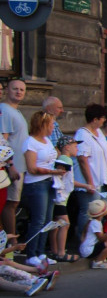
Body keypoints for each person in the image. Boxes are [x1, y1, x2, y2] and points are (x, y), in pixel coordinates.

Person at [21, 111, 62, 268]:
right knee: (38, 220)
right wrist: (53, 171)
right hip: (37, 183)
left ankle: (41, 252)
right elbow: (32, 168)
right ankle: (31, 254)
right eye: (51, 124)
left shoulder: (47, 141)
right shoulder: (31, 142)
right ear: (43, 125)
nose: (53, 127)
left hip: (50, 182)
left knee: (47, 220)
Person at [73, 104, 107, 239]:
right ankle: (83, 240)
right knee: (88, 211)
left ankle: (95, 239)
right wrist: (89, 182)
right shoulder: (82, 134)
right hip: (90, 181)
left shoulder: (99, 132)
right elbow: (82, 159)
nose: (104, 120)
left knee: (101, 211)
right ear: (95, 119)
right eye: (102, 118)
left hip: (101, 178)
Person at [0, 79, 27, 236]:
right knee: (9, 204)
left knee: (13, 203)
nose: (18, 92)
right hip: (12, 166)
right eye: (15, 89)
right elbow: (3, 140)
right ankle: (11, 241)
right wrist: (11, 165)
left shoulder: (15, 110)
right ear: (7, 91)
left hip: (19, 165)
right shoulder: (4, 110)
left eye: (22, 89)